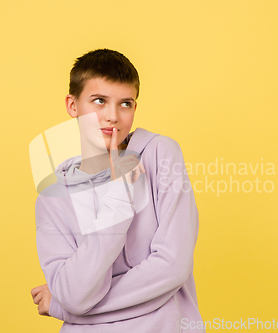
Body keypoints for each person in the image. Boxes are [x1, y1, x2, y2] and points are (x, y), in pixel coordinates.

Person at [30, 48, 205, 332]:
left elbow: (172, 267)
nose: (113, 116)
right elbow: (74, 293)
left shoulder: (160, 154)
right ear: (73, 106)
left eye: (126, 104)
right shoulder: (52, 198)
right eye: (99, 101)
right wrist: (120, 197)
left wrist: (65, 307)